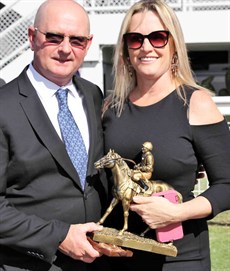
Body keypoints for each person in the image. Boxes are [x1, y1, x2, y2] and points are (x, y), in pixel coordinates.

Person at [102, 0, 230, 270]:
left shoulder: (196, 103)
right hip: (116, 259)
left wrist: (177, 212)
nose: (146, 47)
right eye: (136, 39)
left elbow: (228, 184)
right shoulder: (109, 108)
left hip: (180, 259)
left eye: (158, 37)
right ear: (125, 49)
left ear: (174, 46)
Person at [0, 1, 111, 270]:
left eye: (77, 40)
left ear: (88, 43)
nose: (65, 48)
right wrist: (58, 236)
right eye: (54, 37)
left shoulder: (94, 95)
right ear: (32, 37)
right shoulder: (3, 106)